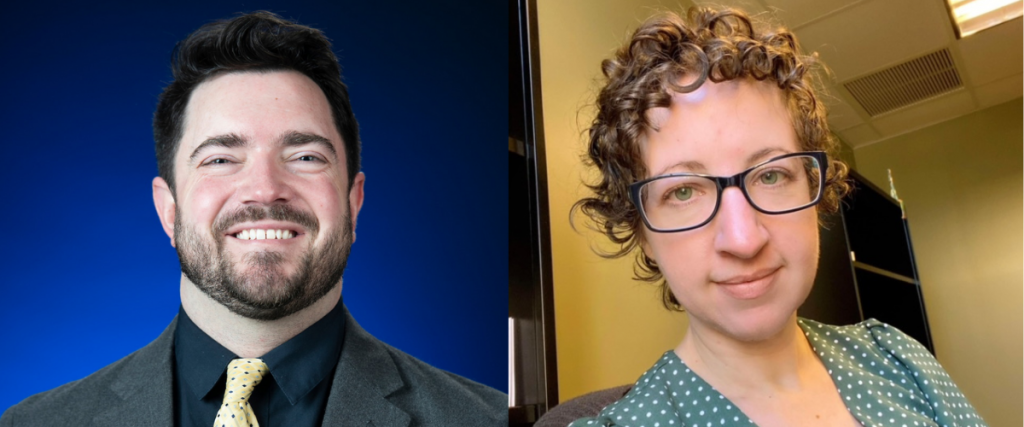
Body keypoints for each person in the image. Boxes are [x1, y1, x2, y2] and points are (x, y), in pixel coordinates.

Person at [0, 11, 506, 427]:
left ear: (353, 202)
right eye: (220, 159)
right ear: (167, 209)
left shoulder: (483, 418)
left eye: (305, 156)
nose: (265, 189)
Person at [568, 7, 986, 427]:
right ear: (641, 232)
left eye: (771, 174)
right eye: (682, 191)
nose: (743, 239)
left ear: (812, 187)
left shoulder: (898, 358)